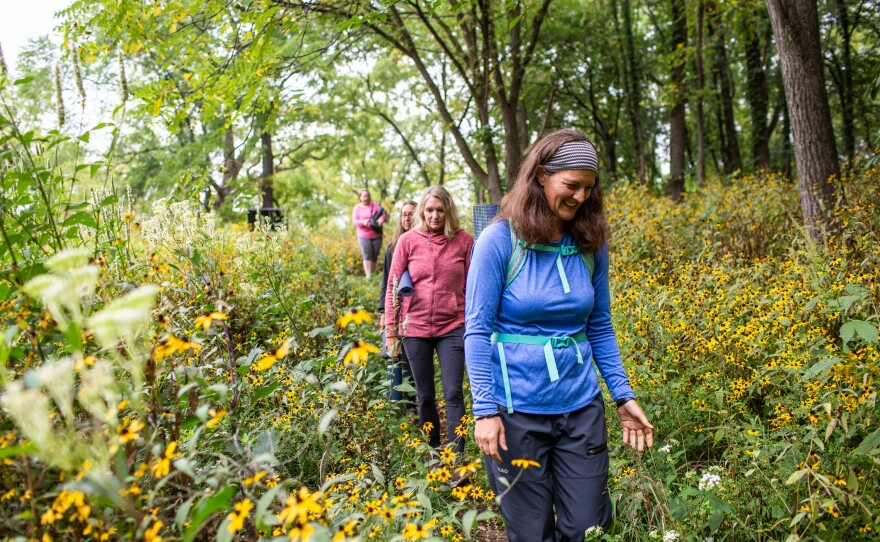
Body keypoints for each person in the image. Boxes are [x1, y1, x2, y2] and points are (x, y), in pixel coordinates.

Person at [464, 129, 653, 540]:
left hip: (580, 408)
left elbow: (599, 324)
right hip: (516, 413)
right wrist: (484, 411)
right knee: (531, 533)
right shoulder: (499, 240)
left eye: (588, 187)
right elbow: (477, 331)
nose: (581, 197)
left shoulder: (589, 243)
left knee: (587, 528)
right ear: (540, 177)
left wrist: (623, 395)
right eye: (571, 185)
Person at [385, 186, 473, 452]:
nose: (434, 216)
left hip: (453, 326)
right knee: (424, 397)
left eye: (440, 210)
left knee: (454, 394)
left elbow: (473, 286)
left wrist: (474, 323)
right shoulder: (408, 241)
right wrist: (391, 330)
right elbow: (393, 284)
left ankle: (458, 456)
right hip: (415, 328)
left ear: (448, 211)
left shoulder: (464, 240)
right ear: (422, 211)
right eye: (429, 210)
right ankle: (434, 452)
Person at [378, 200, 417, 413]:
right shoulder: (392, 248)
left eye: (411, 214)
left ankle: (411, 404)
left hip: (414, 311)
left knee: (412, 357)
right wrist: (383, 312)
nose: (407, 218)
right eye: (404, 214)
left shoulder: (423, 245)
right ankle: (395, 407)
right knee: (394, 356)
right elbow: (386, 283)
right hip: (395, 308)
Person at [352, 188, 385, 276]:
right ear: (360, 197)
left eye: (367, 196)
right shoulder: (357, 208)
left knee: (374, 255)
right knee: (367, 255)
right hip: (363, 235)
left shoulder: (374, 205)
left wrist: (381, 220)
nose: (366, 198)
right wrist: (363, 222)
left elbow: (382, 214)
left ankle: (372, 274)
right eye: (364, 196)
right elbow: (355, 222)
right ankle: (368, 275)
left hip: (376, 234)